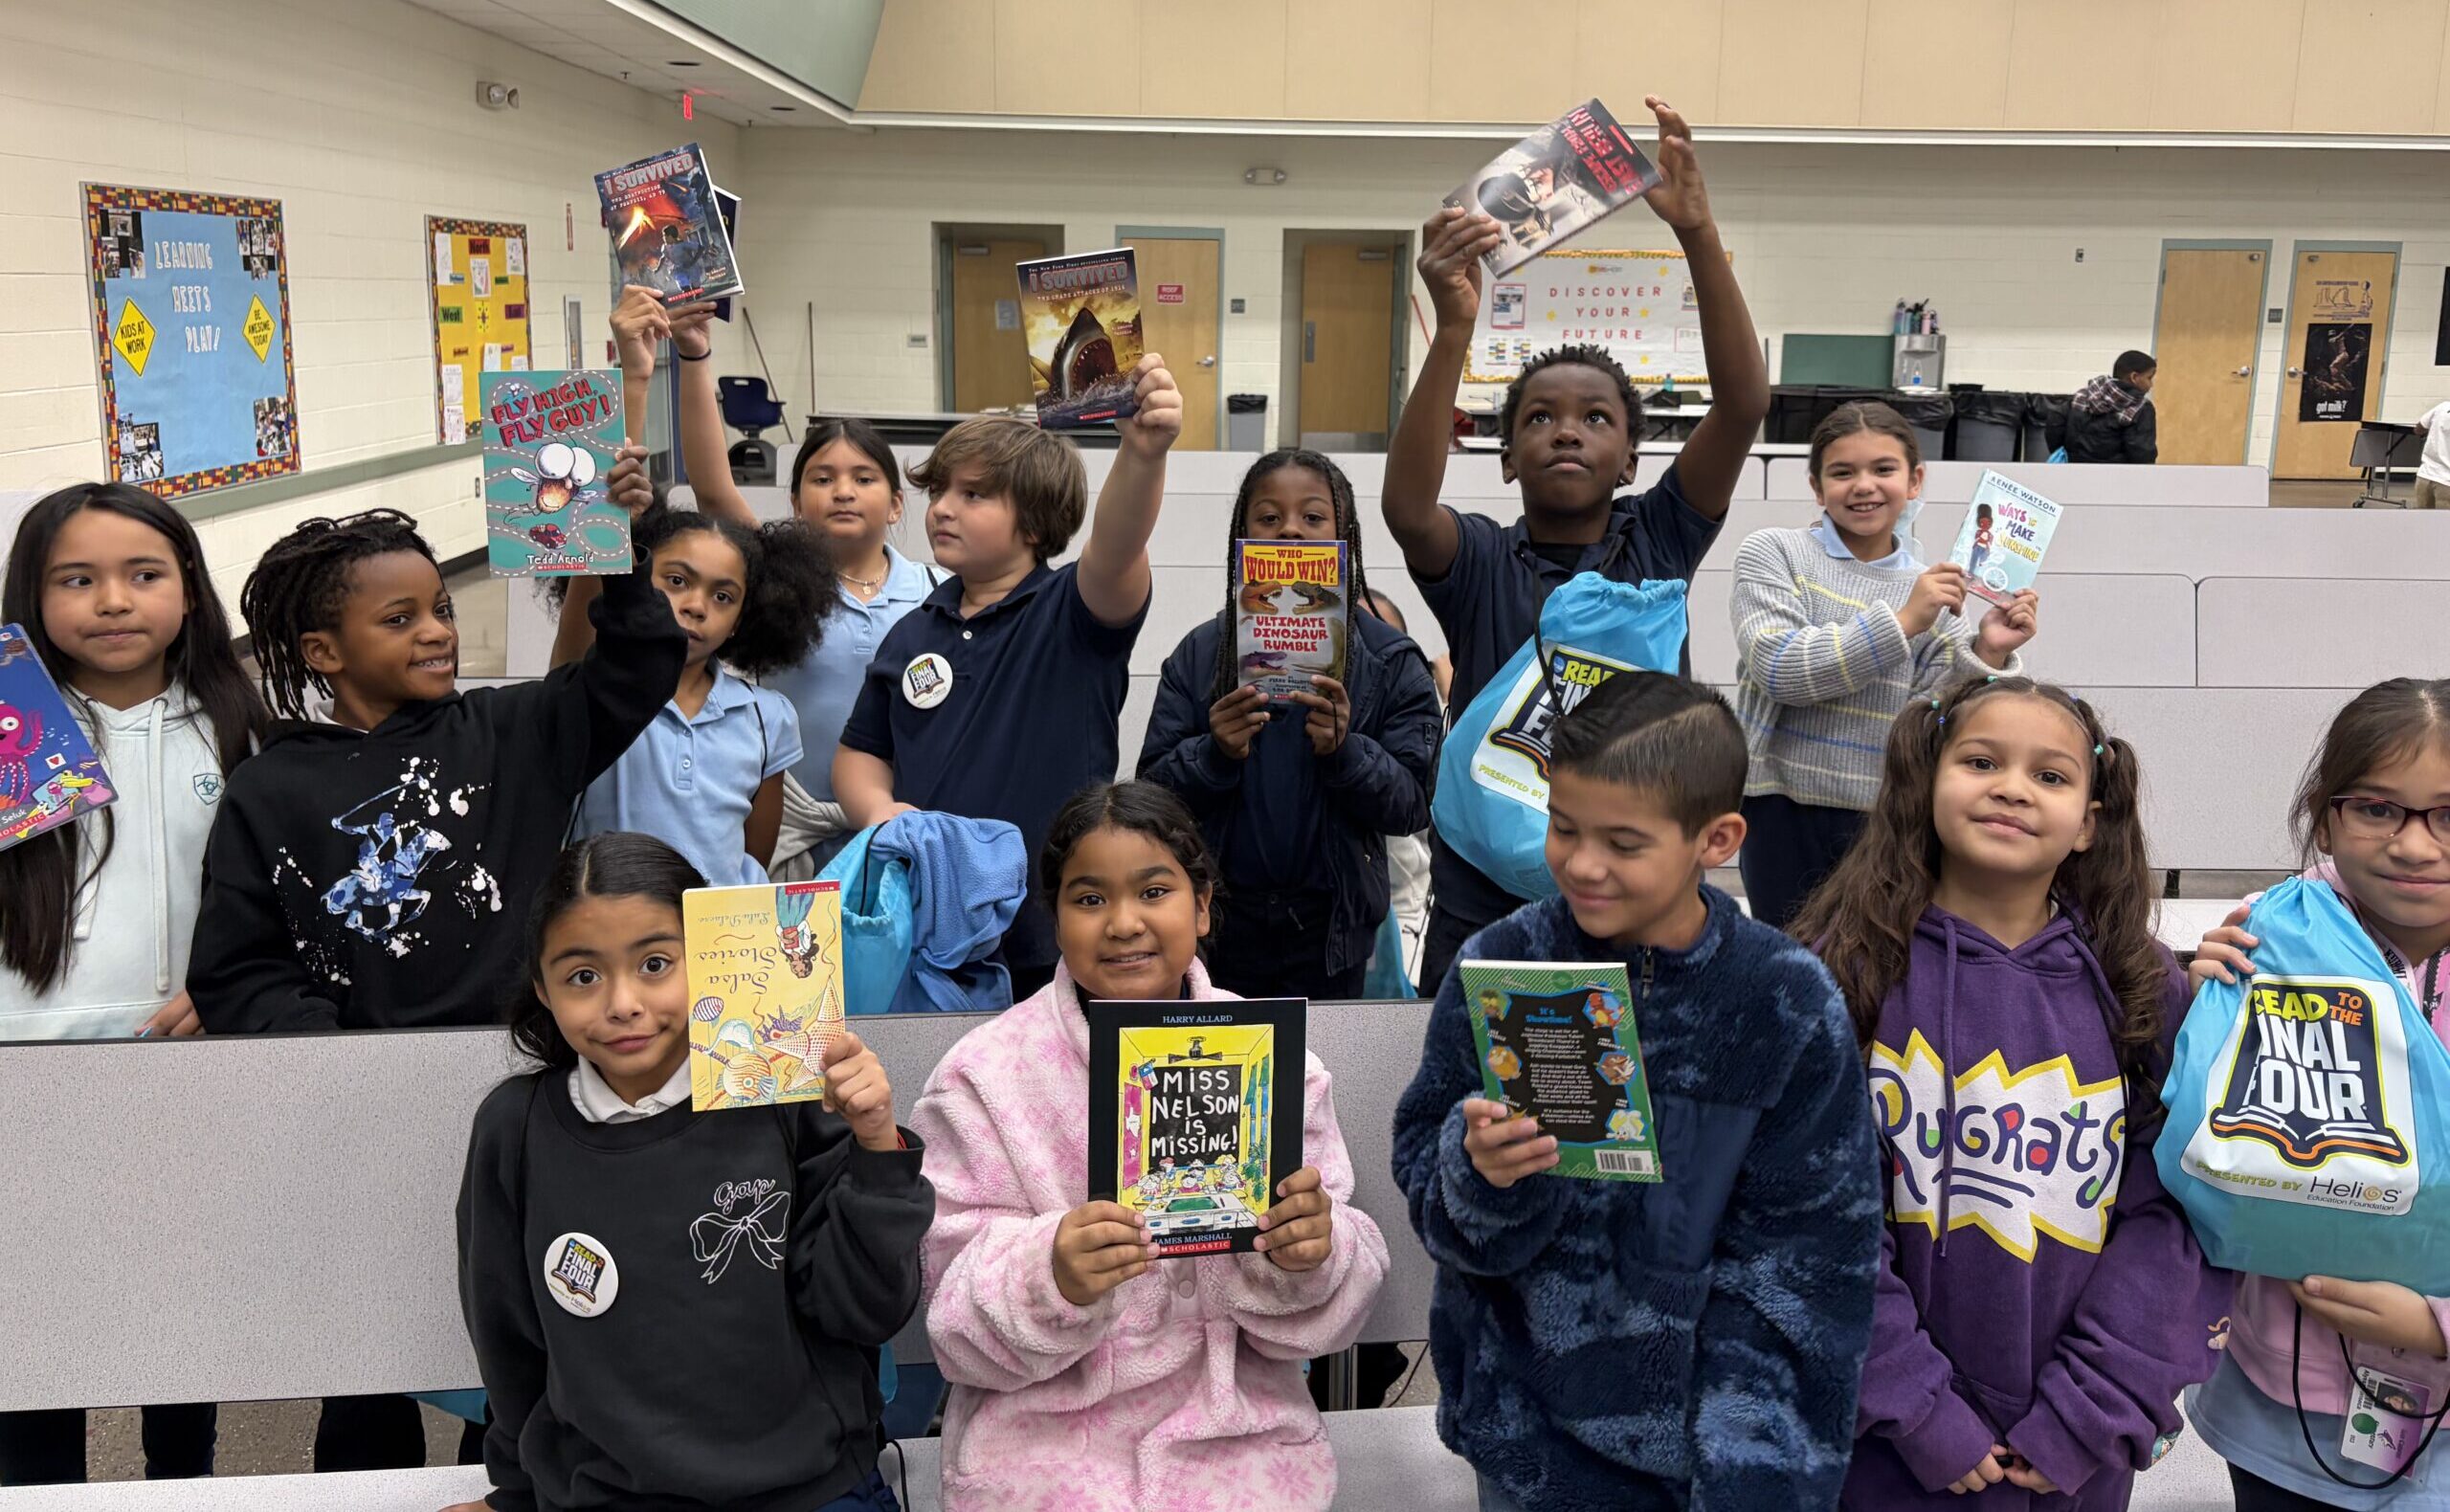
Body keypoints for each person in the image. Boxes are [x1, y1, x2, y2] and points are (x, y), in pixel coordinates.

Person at [187, 485, 679, 1473]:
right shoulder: (269, 788)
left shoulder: (517, 729)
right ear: (322, 650)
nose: (438, 631)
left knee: (523, 1317)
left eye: (442, 609)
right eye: (400, 617)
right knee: (372, 1341)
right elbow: (238, 966)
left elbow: (639, 664)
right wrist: (338, 1057)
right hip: (360, 1109)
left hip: (533, 1092)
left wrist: (616, 543)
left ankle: (512, 1475)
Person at [1392, 673, 1882, 1511]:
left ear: (1717, 838)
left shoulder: (1784, 1004)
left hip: (1705, 1462)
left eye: (1623, 843)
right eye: (1562, 826)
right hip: (1524, 1443)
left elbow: (1808, 1268)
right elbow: (1432, 1195)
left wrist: (1752, 1475)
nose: (1582, 864)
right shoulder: (1503, 964)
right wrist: (1481, 1176)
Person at [1792, 676, 2226, 1509]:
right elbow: (1806, 1220)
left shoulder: (2141, 988)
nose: (2013, 789)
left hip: (2071, 1455)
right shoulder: (1836, 972)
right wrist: (1914, 1405)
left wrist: (2090, 1409)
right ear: (1926, 781)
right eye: (1982, 762)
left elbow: (2181, 1218)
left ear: (2089, 821)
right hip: (1875, 1447)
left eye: (2050, 775)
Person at [1382, 98, 1773, 996]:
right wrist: (1453, 329)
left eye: (1596, 418)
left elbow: (1743, 405)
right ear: (1507, 458)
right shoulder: (1482, 561)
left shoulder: (1658, 540)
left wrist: (1698, 233)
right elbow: (1407, 507)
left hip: (1638, 883)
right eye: (1539, 419)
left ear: (1631, 458)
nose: (1566, 431)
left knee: (1641, 1071)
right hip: (1485, 891)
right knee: (1475, 1072)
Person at [909, 780, 1389, 1510]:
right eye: (1089, 898)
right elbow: (951, 1317)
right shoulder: (984, 1079)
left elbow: (1331, 1304)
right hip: (1040, 1453)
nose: (1124, 923)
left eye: (1155, 891)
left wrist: (1308, 1256)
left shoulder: (1273, 1063)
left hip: (1239, 1446)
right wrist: (1050, 1273)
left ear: (1202, 906)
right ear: (1056, 919)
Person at [448, 832, 931, 1512]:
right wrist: (518, 1491)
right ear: (543, 989)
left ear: (709, 957)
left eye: (655, 964)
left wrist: (877, 1146)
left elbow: (866, 1310)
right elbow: (508, 1338)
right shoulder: (515, 1130)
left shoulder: (782, 1097)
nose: (623, 1002)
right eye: (583, 976)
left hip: (810, 1488)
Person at [0, 483, 267, 1485]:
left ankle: (182, 1484)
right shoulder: (12, 725)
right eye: (76, 579)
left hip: (185, 1074)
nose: (113, 600)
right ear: (32, 595)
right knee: (36, 1336)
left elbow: (284, 898)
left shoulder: (240, 726)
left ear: (189, 590)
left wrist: (230, 989)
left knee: (178, 1321)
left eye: (143, 574)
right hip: (30, 1079)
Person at [835, 360, 1182, 1000]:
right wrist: (880, 812)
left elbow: (1118, 546)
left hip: (1049, 934)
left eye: (973, 495)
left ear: (1034, 522)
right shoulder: (912, 631)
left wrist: (1142, 454)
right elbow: (862, 751)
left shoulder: (1072, 613)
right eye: (939, 492)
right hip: (927, 935)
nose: (942, 509)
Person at [2184, 678, 2450, 1510]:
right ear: (2324, 816)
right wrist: (2193, 1014)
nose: (2415, 845)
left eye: (2449, 814)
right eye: (2377, 808)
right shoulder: (2268, 935)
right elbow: (2200, 1148)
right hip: (2279, 1403)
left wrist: (2438, 1325)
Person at [626, 286, 943, 874]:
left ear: (897, 503)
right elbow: (713, 486)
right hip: (791, 825)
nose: (843, 491)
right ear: (795, 503)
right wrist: (694, 355)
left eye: (864, 478)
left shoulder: (937, 594)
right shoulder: (773, 581)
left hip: (897, 817)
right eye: (822, 479)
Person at [1137, 448, 1443, 1000]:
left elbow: (1413, 805)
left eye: (1313, 516)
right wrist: (1213, 755)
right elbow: (1150, 797)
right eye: (1269, 517)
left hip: (1331, 936)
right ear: (1243, 534)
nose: (1291, 531)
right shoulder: (1201, 655)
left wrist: (1348, 753)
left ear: (1344, 534)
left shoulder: (1390, 661)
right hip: (1220, 931)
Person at [1729, 402, 2038, 929]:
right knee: (1785, 958)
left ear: (1914, 480)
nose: (1864, 486)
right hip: (1778, 809)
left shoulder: (1935, 589)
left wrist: (1988, 651)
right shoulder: (1774, 552)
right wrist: (1903, 622)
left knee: (1870, 960)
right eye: (1842, 472)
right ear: (1816, 486)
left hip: (1886, 817)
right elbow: (1780, 669)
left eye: (1883, 469)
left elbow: (1935, 719)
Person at [552, 499, 835, 888]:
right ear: (635, 582)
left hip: (717, 923)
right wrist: (606, 533)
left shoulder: (767, 717)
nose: (697, 606)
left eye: (723, 597)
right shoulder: (598, 693)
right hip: (610, 918)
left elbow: (753, 857)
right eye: (677, 581)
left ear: (739, 621)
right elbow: (566, 670)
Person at [2063, 352, 2158, 465]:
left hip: (2075, 470)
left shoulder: (2083, 396)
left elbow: (2060, 431)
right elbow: (2141, 454)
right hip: (2117, 473)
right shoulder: (2141, 408)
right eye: (2149, 378)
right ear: (2134, 377)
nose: (2151, 385)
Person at [2408, 400, 2450, 510]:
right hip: (2447, 482)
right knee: (2444, 521)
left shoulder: (2443, 407)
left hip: (2425, 477)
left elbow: (2418, 429)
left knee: (2423, 519)